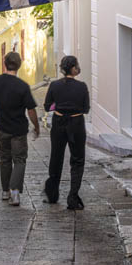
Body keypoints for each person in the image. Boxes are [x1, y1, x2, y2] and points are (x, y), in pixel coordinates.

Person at [0, 50, 39, 206]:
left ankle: (5, 191)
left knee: (5, 159)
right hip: (19, 130)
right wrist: (36, 126)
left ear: (5, 64)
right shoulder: (22, 86)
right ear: (19, 65)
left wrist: (0, 116)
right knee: (20, 160)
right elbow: (31, 110)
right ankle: (15, 193)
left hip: (2, 128)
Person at [43, 56, 89, 210]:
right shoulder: (82, 86)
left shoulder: (54, 85)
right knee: (77, 160)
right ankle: (72, 197)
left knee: (56, 157)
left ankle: (52, 195)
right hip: (76, 123)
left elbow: (47, 106)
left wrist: (60, 106)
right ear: (74, 68)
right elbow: (86, 109)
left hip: (59, 122)